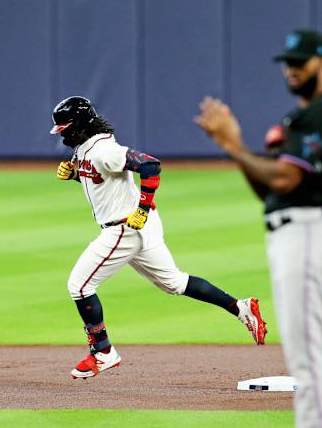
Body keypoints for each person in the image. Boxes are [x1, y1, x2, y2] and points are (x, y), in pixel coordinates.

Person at [195, 29, 322, 428]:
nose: (292, 69)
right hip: (291, 231)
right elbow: (272, 189)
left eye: (300, 61)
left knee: (306, 361)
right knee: (303, 357)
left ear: (321, 63)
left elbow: (283, 175)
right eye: (287, 61)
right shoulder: (299, 116)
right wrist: (237, 150)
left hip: (305, 236)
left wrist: (233, 146)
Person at [50, 96, 267, 379]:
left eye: (65, 128)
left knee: (79, 286)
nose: (62, 133)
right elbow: (105, 182)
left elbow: (150, 165)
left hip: (124, 228)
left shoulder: (104, 150)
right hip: (141, 227)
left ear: (79, 125)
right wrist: (76, 175)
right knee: (174, 282)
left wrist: (141, 208)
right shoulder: (88, 148)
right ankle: (241, 308)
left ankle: (103, 352)